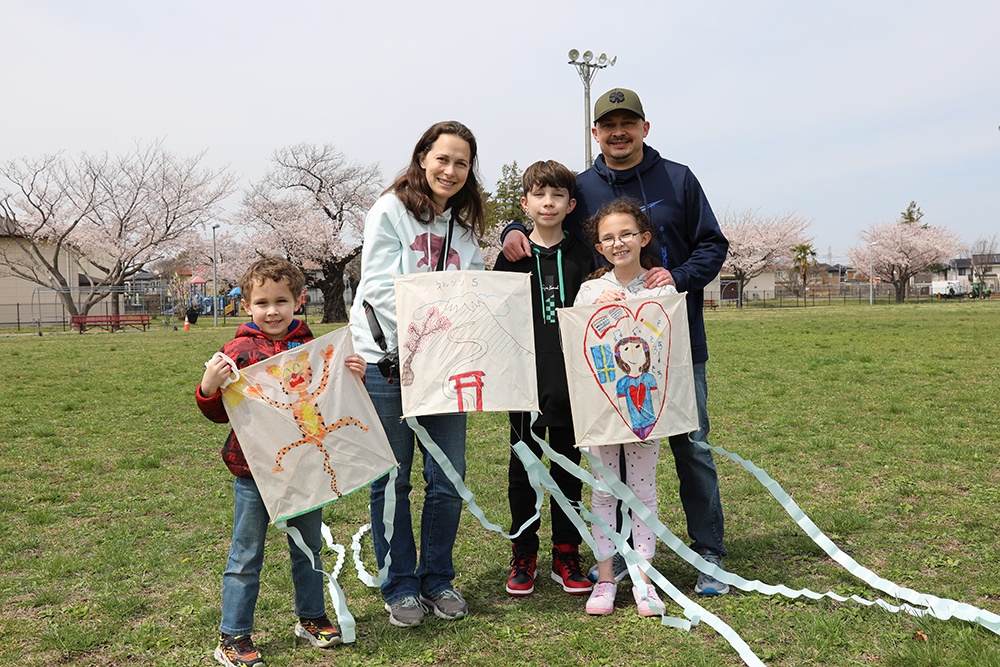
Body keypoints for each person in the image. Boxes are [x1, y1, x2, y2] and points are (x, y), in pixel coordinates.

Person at [502, 87, 731, 597]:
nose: (619, 132)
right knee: (617, 454)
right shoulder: (582, 186)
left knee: (690, 446)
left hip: (673, 347)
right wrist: (512, 227)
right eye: (609, 125)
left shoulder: (678, 178)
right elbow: (548, 218)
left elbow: (713, 243)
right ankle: (625, 553)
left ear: (645, 129)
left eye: (629, 123)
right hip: (607, 359)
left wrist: (677, 276)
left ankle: (708, 550)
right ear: (596, 133)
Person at [348, 121, 487, 628]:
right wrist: (440, 317)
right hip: (389, 362)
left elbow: (474, 286)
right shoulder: (390, 211)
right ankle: (400, 585)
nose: (450, 170)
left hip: (445, 364)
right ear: (422, 157)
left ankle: (437, 577)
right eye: (442, 158)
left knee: (448, 477)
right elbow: (380, 288)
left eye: (462, 163)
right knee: (393, 479)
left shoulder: (466, 226)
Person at [196, 257, 367, 667]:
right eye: (261, 303)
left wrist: (353, 377)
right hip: (253, 471)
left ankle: (310, 617)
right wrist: (210, 385)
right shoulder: (235, 351)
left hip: (304, 467)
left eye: (281, 301)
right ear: (247, 305)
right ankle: (233, 635)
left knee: (309, 547)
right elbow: (221, 413)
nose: (271, 311)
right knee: (246, 553)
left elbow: (330, 401)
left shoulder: (312, 349)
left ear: (298, 301)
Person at [493, 160, 596, 597]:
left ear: (571, 204)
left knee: (568, 464)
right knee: (524, 466)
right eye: (540, 195)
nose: (548, 203)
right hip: (525, 379)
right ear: (525, 203)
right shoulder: (511, 255)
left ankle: (566, 552)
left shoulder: (584, 254)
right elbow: (492, 316)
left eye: (557, 196)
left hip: (574, 379)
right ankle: (524, 551)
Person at [574, 198, 675, 616]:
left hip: (644, 411)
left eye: (627, 234)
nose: (619, 243)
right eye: (609, 237)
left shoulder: (661, 288)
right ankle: (604, 577)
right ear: (599, 246)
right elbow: (580, 349)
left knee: (642, 490)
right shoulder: (590, 291)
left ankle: (643, 578)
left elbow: (669, 345)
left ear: (644, 238)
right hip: (602, 410)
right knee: (602, 490)